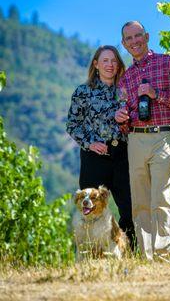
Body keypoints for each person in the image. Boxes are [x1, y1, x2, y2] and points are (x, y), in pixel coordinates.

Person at [115, 21, 170, 260]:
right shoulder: (126, 78)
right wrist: (122, 119)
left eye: (138, 35)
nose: (134, 41)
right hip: (136, 139)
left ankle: (162, 256)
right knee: (139, 201)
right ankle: (147, 257)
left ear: (147, 36)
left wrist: (155, 94)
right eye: (128, 38)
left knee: (160, 196)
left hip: (164, 136)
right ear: (124, 44)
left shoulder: (168, 62)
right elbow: (126, 117)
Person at [66, 45, 135, 249]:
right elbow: (72, 125)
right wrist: (90, 143)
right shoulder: (83, 92)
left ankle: (127, 252)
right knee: (90, 210)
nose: (110, 65)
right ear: (96, 65)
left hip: (123, 156)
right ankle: (89, 255)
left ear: (118, 65)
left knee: (130, 210)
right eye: (105, 60)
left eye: (114, 61)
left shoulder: (126, 91)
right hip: (94, 158)